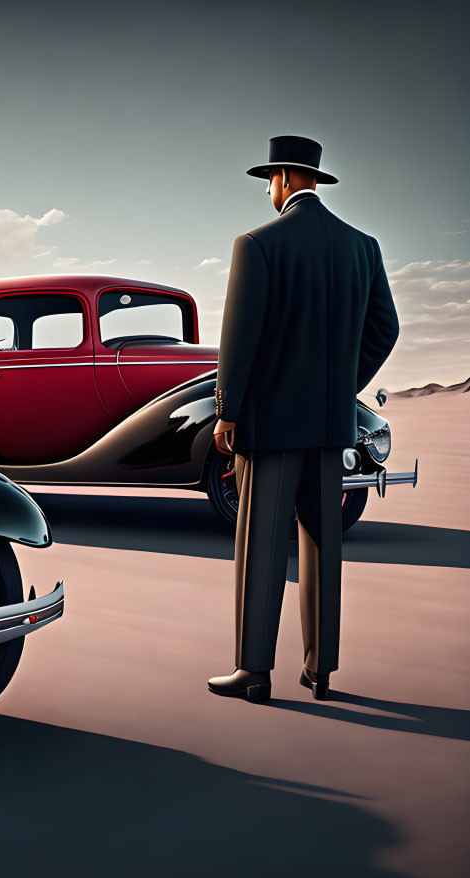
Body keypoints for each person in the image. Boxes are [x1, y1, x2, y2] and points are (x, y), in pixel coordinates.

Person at [207, 135, 399, 703]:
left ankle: (253, 671)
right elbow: (385, 329)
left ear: (285, 179)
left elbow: (237, 343)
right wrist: (341, 386)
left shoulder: (258, 244)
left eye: (269, 179)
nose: (269, 189)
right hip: (330, 423)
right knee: (323, 544)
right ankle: (321, 671)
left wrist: (228, 412)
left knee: (262, 546)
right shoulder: (363, 247)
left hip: (269, 426)